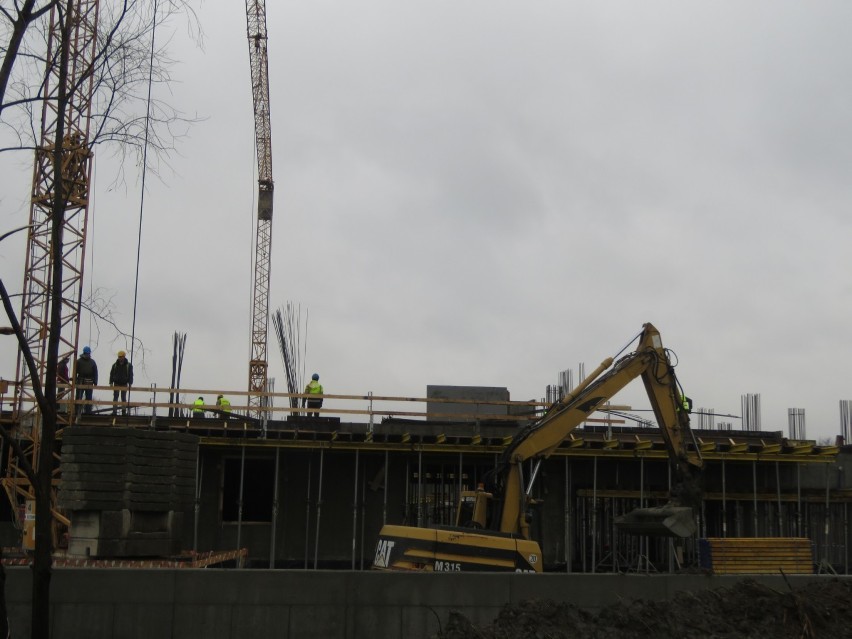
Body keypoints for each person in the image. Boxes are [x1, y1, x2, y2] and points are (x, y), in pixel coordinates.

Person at [109, 350, 134, 415]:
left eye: (121, 357)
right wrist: (111, 382)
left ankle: (123, 411)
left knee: (123, 398)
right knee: (115, 397)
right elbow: (111, 374)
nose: (120, 358)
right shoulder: (115, 365)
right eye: (119, 357)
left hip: (124, 383)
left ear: (124, 357)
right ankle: (114, 411)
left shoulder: (128, 365)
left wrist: (130, 383)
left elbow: (131, 374)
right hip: (116, 383)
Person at [75, 346, 98, 415]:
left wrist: (95, 381)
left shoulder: (92, 362)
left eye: (88, 353)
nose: (87, 355)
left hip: (89, 381)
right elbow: (75, 371)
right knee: (79, 397)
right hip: (80, 380)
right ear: (84, 353)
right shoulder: (79, 361)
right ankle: (77, 411)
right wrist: (75, 380)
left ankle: (88, 411)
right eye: (86, 353)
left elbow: (95, 372)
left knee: (89, 397)